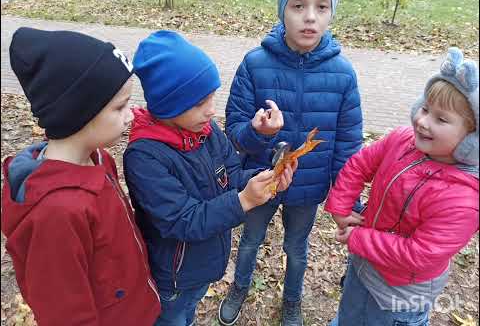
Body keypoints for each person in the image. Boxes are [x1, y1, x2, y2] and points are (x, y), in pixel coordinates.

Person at [218, 0, 363, 324]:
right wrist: (258, 132)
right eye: (298, 6)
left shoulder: (343, 74)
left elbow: (348, 146)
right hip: (261, 179)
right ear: (282, 10)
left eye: (321, 7)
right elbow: (234, 130)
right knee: (250, 240)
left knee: (297, 247)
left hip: (307, 186)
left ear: (332, 13)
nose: (310, 17)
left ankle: (292, 301)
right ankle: (239, 286)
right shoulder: (255, 64)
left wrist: (349, 200)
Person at [123, 30, 297, 326]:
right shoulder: (145, 157)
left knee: (188, 313)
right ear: (169, 105)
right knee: (174, 317)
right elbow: (182, 220)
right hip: (174, 280)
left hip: (202, 266)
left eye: (212, 97)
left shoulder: (205, 131)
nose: (212, 109)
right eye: (200, 102)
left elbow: (231, 175)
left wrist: (264, 179)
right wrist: (243, 201)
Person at [1, 27, 161, 325]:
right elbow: (64, 313)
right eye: (120, 107)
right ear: (80, 113)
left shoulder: (98, 158)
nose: (133, 114)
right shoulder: (56, 214)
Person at [325, 47, 479, 326]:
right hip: (364, 265)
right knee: (350, 312)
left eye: (441, 119)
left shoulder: (462, 200)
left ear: (472, 140)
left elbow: (418, 253)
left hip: (400, 294)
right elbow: (361, 164)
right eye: (424, 108)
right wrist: (340, 205)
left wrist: (359, 239)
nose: (422, 121)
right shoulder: (402, 139)